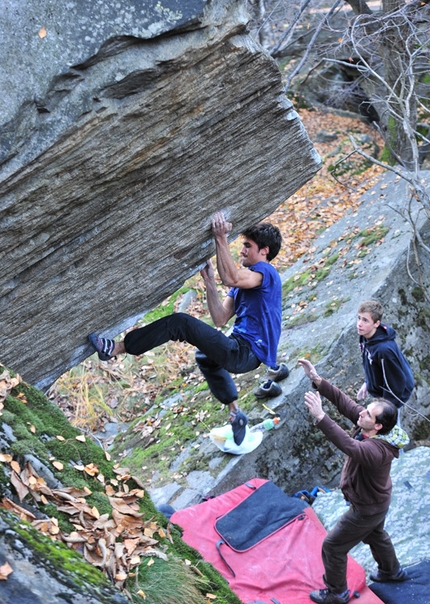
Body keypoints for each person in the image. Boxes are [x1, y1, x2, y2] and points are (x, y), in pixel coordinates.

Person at [88, 211, 283, 447]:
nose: (242, 250)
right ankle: (235, 413)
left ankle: (116, 348)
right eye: (241, 245)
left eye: (247, 246)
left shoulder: (267, 273)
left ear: (264, 251)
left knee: (179, 322)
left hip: (247, 352)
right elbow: (220, 318)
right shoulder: (244, 286)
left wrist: (220, 237)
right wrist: (210, 283)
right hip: (240, 350)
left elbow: (231, 277)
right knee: (205, 356)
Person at [298, 357, 409, 604]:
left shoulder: (377, 451)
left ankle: (336, 592)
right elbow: (345, 403)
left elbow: (348, 445)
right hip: (377, 504)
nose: (362, 412)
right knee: (376, 535)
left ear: (378, 426)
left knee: (333, 546)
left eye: (368, 413)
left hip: (366, 509)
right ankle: (391, 572)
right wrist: (318, 381)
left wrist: (319, 417)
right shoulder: (369, 425)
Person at [356, 300, 414, 408]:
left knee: (388, 424)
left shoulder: (384, 351)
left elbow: (395, 384)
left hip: (396, 396)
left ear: (376, 324)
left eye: (365, 320)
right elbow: (371, 364)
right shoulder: (365, 337)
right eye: (359, 318)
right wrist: (368, 382)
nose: (359, 324)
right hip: (383, 393)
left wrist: (384, 408)